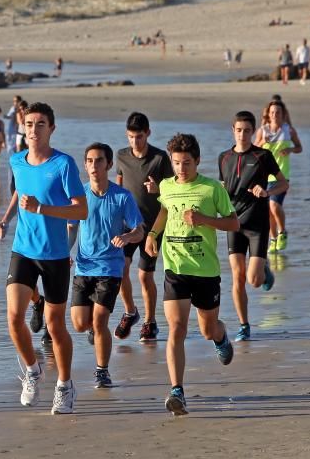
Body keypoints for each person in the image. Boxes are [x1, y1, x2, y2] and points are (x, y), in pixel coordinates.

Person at [0, 102, 87, 414]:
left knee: (55, 325)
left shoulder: (64, 164)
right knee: (14, 317)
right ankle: (32, 371)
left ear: (51, 128)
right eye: (30, 124)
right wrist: (6, 220)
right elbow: (20, 194)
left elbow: (81, 210)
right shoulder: (16, 160)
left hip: (56, 255)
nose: (34, 129)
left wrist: (43, 209)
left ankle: (64, 385)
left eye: (41, 124)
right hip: (23, 250)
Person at [144, 133, 239, 415]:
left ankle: (221, 336)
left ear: (197, 161)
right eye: (176, 163)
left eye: (186, 163)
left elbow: (233, 223)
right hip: (175, 267)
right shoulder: (166, 186)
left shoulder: (211, 189)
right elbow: (164, 209)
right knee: (177, 328)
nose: (181, 169)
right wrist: (152, 234)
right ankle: (177, 391)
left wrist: (204, 220)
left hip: (205, 270)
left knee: (207, 329)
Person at [67, 143, 143, 389]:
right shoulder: (80, 195)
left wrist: (127, 238)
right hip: (83, 266)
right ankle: (95, 332)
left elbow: (138, 231)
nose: (93, 165)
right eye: (89, 161)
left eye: (98, 161)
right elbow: (72, 227)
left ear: (109, 165)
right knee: (80, 324)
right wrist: (65, 251)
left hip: (110, 268)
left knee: (100, 321)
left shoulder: (122, 197)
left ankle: (102, 371)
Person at [218, 112, 288, 342]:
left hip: (257, 224)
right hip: (234, 223)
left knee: (253, 280)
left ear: (253, 131)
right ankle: (244, 325)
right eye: (239, 130)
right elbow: (220, 189)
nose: (243, 135)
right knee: (237, 277)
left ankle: (263, 269)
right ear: (233, 130)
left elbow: (283, 183)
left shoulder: (262, 156)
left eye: (247, 130)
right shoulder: (224, 158)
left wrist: (267, 191)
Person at [115, 112, 173, 342]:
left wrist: (158, 189)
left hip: (153, 227)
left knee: (144, 276)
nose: (135, 142)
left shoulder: (160, 159)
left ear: (148, 133)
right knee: (120, 270)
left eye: (139, 136)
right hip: (127, 226)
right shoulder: (121, 156)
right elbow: (117, 189)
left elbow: (173, 190)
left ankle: (150, 322)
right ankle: (131, 312)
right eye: (130, 137)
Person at [254, 97, 302, 252]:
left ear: (283, 114)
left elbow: (299, 147)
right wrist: (262, 142)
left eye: (278, 112)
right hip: (264, 177)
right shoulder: (263, 131)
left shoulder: (289, 130)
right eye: (272, 112)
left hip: (281, 176)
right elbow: (253, 149)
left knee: (274, 206)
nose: (275, 115)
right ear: (268, 114)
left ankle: (282, 232)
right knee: (268, 211)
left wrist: (290, 149)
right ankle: (273, 239)